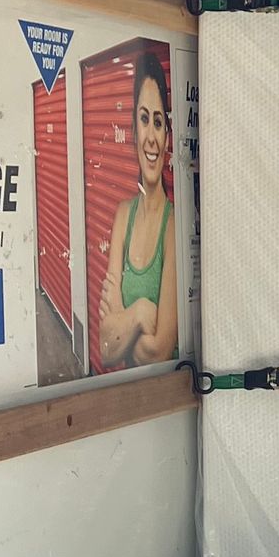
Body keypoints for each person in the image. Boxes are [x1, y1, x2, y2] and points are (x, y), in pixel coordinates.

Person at [96, 49, 179, 370]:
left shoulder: (173, 225)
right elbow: (105, 348)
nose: (151, 138)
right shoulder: (123, 216)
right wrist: (142, 312)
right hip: (127, 389)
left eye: (158, 122)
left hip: (163, 393)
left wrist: (121, 316)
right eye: (144, 119)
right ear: (133, 130)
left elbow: (159, 351)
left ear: (167, 137)